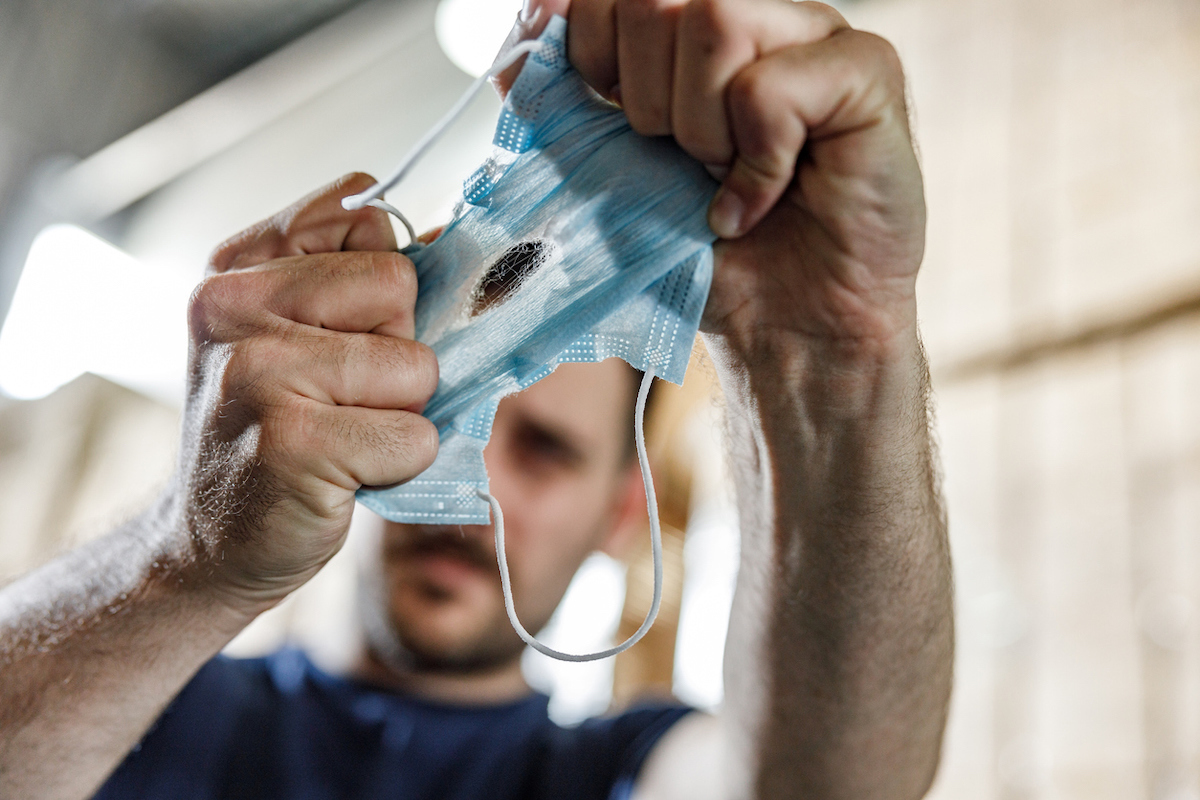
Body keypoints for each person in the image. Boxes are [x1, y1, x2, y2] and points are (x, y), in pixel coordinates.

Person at [0, 0, 954, 798]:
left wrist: (834, 356)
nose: (476, 486)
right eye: (446, 402)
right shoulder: (151, 708)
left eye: (544, 449)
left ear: (622, 512)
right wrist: (187, 554)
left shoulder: (613, 771)